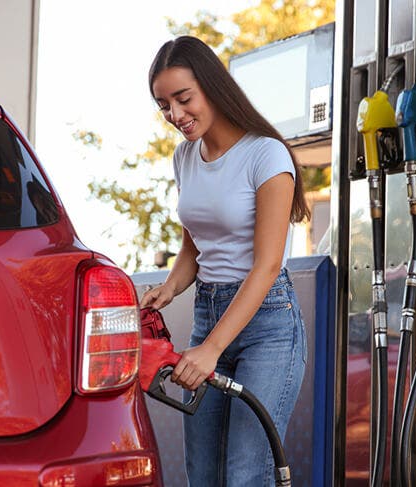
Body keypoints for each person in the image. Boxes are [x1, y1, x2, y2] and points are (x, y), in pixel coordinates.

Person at [140, 35, 309, 487]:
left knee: (245, 475)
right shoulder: (185, 157)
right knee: (204, 472)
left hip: (267, 328)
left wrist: (212, 349)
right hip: (207, 315)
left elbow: (267, 265)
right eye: (163, 106)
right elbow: (195, 245)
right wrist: (171, 287)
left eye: (183, 98)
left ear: (212, 86)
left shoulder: (265, 155)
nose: (175, 115)